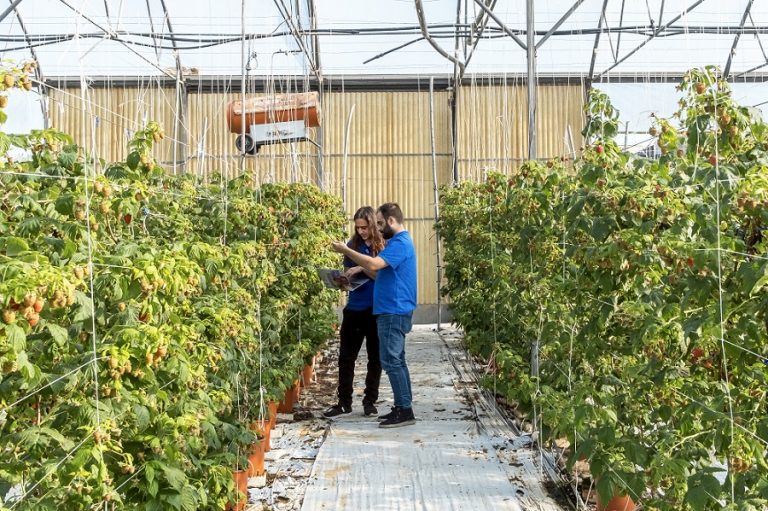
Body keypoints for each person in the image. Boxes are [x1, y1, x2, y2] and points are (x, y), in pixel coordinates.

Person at [331, 202, 417, 428]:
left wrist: (348, 252)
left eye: (379, 223)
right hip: (385, 309)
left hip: (393, 309)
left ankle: (403, 409)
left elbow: (374, 265)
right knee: (395, 359)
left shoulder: (398, 243)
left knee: (390, 360)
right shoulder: (396, 243)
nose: (377, 229)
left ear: (390, 221)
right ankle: (403, 406)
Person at [324, 206, 384, 418]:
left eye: (365, 227)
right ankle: (344, 402)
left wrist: (360, 267)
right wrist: (342, 280)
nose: (361, 232)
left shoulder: (382, 245)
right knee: (346, 357)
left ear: (373, 225)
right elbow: (351, 277)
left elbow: (379, 275)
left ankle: (370, 401)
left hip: (376, 310)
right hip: (354, 308)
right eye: (358, 228)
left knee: (375, 358)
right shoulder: (352, 245)